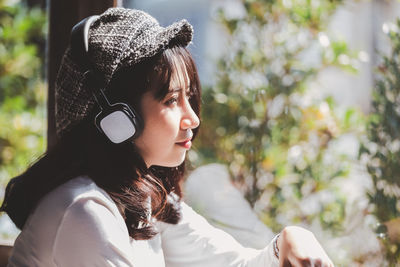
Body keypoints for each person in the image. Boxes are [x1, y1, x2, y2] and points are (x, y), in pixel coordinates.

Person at [1, 7, 334, 267]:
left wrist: (291, 239)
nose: (193, 118)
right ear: (117, 119)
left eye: (189, 97)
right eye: (172, 100)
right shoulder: (84, 211)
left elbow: (236, 263)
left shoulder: (144, 197)